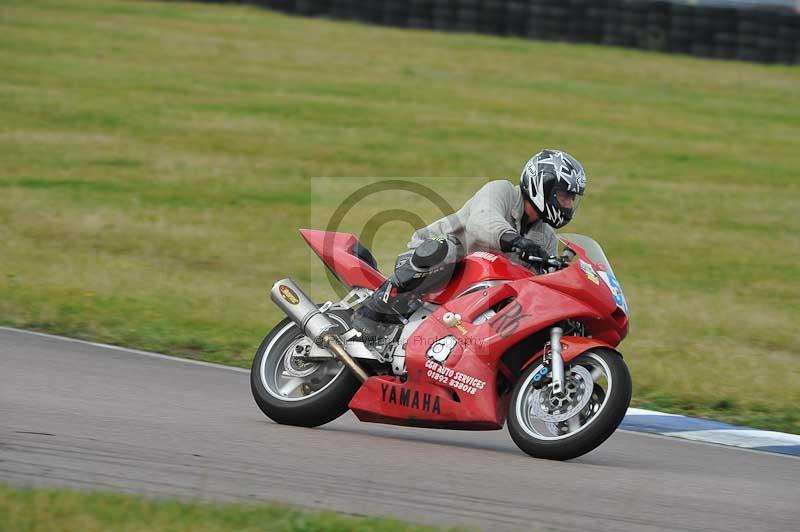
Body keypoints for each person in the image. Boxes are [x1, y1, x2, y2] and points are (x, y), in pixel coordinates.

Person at [353, 149, 588, 344]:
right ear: (542, 185)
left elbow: (537, 283)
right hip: (433, 264)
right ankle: (375, 308)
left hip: (474, 294)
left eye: (571, 199)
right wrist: (515, 240)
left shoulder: (545, 237)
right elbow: (482, 220)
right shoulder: (502, 192)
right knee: (449, 248)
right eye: (563, 196)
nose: (567, 204)